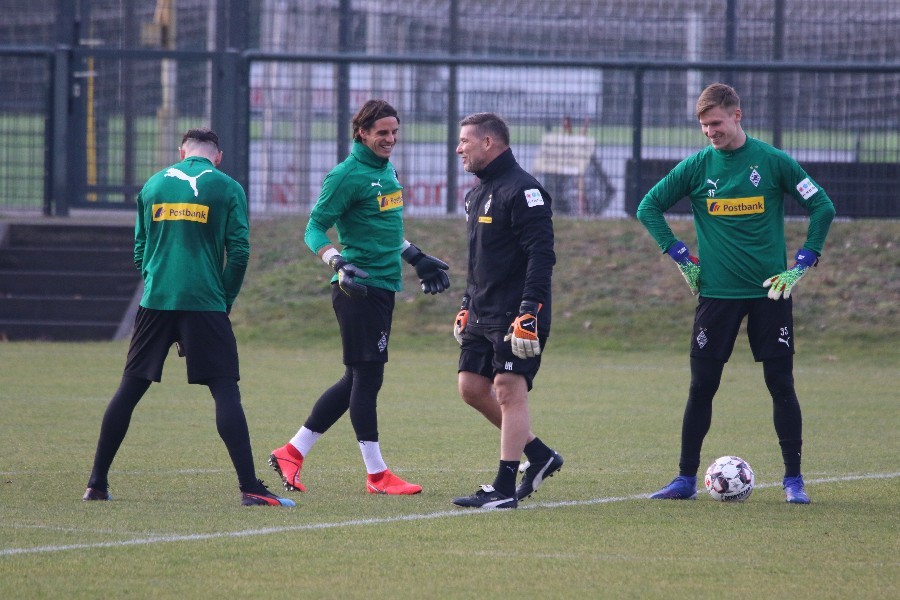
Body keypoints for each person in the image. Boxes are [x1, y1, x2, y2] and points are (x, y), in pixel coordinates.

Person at [636, 83, 836, 504]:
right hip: (716, 294)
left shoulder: (773, 161)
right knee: (701, 385)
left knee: (780, 383)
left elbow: (823, 206)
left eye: (717, 123)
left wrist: (802, 262)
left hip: (770, 293)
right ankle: (685, 479)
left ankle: (793, 481)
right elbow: (648, 206)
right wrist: (680, 256)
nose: (711, 132)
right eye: (704, 126)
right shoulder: (696, 167)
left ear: (737, 116)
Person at [83, 128, 294, 507]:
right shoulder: (227, 187)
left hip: (156, 300)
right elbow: (240, 252)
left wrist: (156, 281)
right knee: (225, 390)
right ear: (218, 156)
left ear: (182, 152)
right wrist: (223, 299)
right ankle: (250, 488)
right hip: (205, 302)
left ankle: (96, 484)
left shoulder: (153, 184)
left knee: (130, 389)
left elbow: (139, 249)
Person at [268, 99, 450, 496]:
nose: (390, 139)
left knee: (356, 376)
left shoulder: (387, 170)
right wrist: (337, 262)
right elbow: (314, 228)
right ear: (362, 133)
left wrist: (416, 257)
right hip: (358, 289)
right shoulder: (345, 175)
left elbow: (383, 230)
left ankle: (292, 452)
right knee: (368, 377)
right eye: (382, 132)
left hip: (384, 286)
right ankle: (377, 475)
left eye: (394, 132)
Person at [450, 112, 563, 509]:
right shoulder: (475, 193)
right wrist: (466, 304)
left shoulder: (525, 191)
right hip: (482, 310)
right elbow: (479, 259)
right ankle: (540, 455)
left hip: (518, 313)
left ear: (488, 143)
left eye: (465, 140)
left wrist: (529, 310)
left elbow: (541, 255)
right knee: (470, 387)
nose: (459, 147)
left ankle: (503, 488)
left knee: (507, 390)